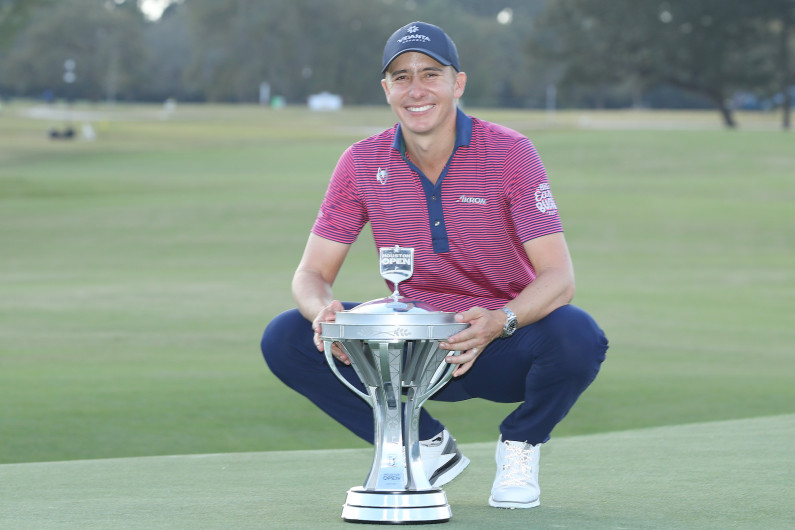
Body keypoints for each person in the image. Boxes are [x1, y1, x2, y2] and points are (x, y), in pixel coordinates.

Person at [261, 21, 608, 509]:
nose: (416, 89)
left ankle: (522, 445)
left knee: (578, 335)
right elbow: (311, 275)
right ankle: (420, 443)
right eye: (401, 77)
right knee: (287, 336)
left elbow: (559, 278)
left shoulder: (509, 152)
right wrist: (323, 311)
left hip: (496, 344)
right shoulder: (361, 162)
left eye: (430, 74)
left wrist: (499, 321)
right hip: (412, 344)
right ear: (386, 90)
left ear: (457, 83)